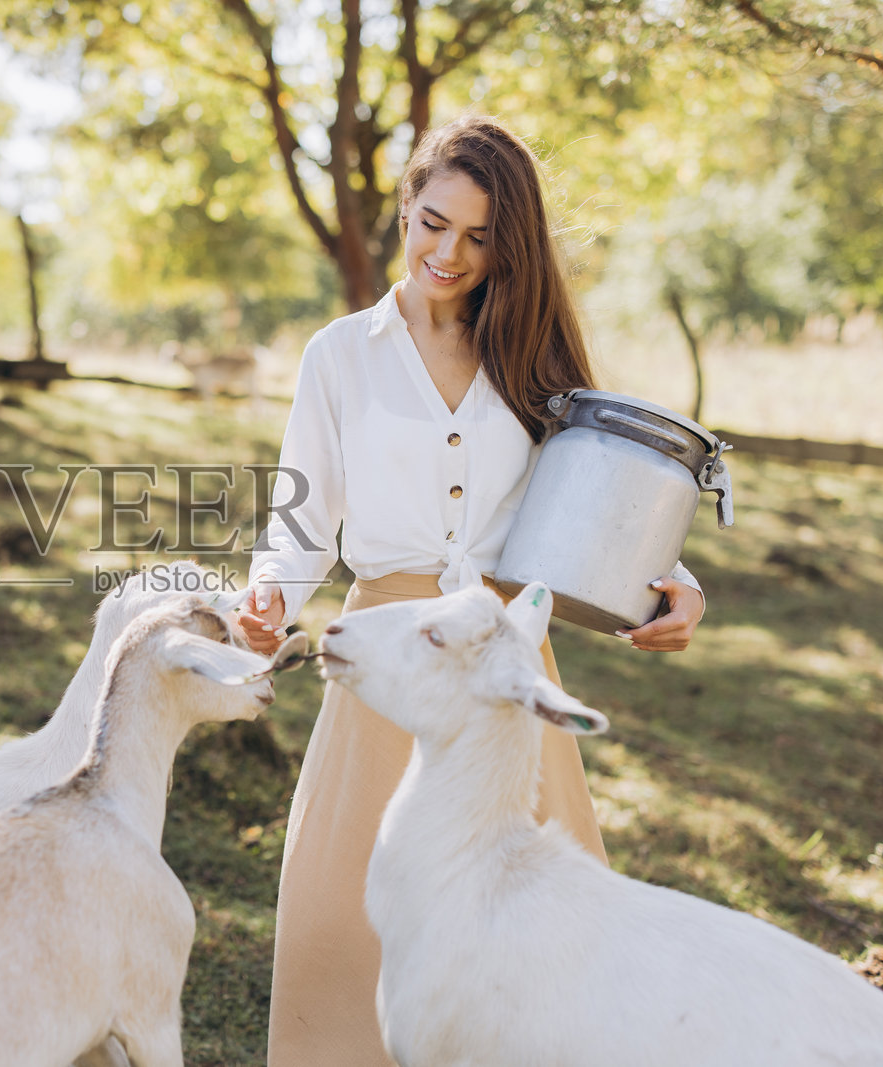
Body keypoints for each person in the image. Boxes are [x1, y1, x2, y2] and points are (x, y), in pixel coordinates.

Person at [238, 115, 706, 1067]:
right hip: (385, 657)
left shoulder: (536, 361)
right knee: (350, 909)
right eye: (433, 223)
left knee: (524, 923)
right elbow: (301, 512)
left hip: (502, 661)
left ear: (509, 245)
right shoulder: (341, 353)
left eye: (480, 237)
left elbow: (605, 506)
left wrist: (674, 590)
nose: (449, 253)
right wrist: (269, 599)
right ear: (405, 206)